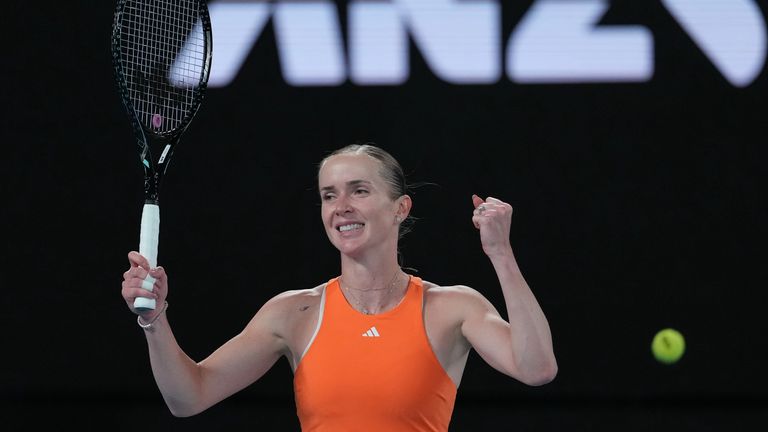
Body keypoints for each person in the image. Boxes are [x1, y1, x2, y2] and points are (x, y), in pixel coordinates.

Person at [121, 143, 557, 431]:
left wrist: (500, 253)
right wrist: (154, 321)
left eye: (359, 191)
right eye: (329, 195)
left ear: (401, 208)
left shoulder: (452, 308)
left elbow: (536, 368)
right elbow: (188, 397)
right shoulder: (294, 313)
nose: (341, 207)